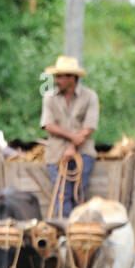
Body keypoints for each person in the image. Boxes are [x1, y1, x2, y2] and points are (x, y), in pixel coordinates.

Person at [40, 55, 99, 218]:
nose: (57, 80)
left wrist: (73, 147)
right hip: (56, 153)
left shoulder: (90, 96)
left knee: (79, 194)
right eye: (56, 76)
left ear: (72, 78)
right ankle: (65, 233)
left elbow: (89, 126)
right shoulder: (49, 97)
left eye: (60, 77)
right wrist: (72, 137)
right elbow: (48, 125)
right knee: (62, 196)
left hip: (83, 152)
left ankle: (79, 231)